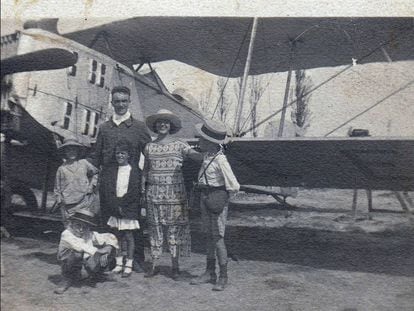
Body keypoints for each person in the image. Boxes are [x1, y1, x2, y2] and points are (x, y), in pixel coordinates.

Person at [90, 85, 151, 272]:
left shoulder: (139, 127)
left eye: (124, 101)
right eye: (117, 101)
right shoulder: (104, 128)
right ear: (112, 102)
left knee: (132, 223)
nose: (120, 104)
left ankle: (136, 260)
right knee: (110, 222)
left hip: (130, 182)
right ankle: (110, 260)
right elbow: (97, 156)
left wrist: (145, 178)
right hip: (108, 183)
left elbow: (150, 153)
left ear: (129, 101)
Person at [142, 109, 200, 280]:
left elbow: (195, 156)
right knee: (155, 229)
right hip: (154, 193)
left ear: (171, 126)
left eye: (166, 122)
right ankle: (154, 264)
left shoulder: (180, 144)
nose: (162, 124)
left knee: (174, 230)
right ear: (155, 125)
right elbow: (145, 171)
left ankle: (175, 267)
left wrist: (212, 150)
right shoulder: (149, 146)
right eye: (159, 122)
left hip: (175, 194)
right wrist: (142, 190)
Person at [190, 119, 239, 291]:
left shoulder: (221, 160)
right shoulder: (207, 156)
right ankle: (209, 272)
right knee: (208, 236)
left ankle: (223, 276)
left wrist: (221, 201)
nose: (199, 141)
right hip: (205, 197)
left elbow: (234, 185)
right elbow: (192, 154)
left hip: (216, 201)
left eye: (202, 139)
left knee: (218, 238)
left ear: (211, 143)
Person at [54, 210, 118, 294]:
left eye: (85, 227)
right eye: (78, 225)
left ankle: (96, 274)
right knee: (77, 253)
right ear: (71, 223)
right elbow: (81, 247)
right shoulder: (66, 234)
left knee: (110, 250)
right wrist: (100, 251)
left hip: (84, 261)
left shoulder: (87, 233)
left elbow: (109, 236)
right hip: (68, 261)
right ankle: (67, 279)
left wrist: (109, 247)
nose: (81, 229)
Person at [104, 139, 142, 278]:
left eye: (123, 153)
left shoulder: (134, 170)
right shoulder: (112, 170)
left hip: (128, 207)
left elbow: (134, 190)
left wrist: (123, 205)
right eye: (118, 153)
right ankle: (119, 263)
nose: (120, 156)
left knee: (128, 235)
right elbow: (109, 189)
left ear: (128, 155)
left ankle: (129, 264)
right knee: (116, 236)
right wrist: (115, 205)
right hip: (115, 206)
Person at [54, 138, 99, 223]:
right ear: (65, 152)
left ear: (78, 151)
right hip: (69, 205)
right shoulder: (61, 169)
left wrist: (91, 186)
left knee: (83, 226)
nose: (72, 152)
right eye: (69, 150)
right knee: (70, 228)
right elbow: (57, 190)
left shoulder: (84, 163)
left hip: (85, 202)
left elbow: (96, 173)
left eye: (74, 150)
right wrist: (61, 205)